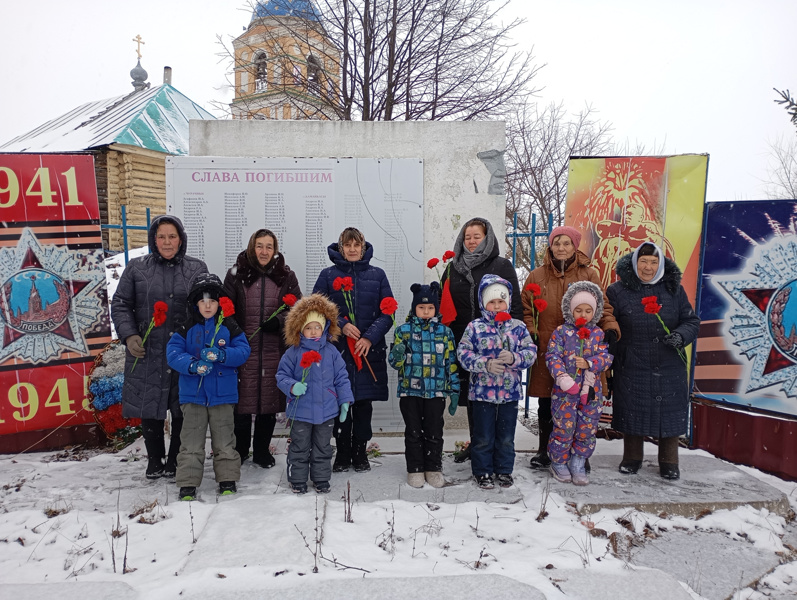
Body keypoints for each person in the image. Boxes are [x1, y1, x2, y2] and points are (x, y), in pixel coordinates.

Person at [112, 215, 208, 480]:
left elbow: (206, 304)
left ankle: (175, 459)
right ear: (154, 239)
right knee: (149, 405)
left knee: (181, 405)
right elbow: (120, 303)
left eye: (172, 236)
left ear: (181, 239)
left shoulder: (196, 268)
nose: (167, 242)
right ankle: (154, 459)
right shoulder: (137, 268)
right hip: (148, 348)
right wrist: (130, 335)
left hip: (183, 350)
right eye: (162, 236)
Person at [522, 225, 620, 470]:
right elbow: (526, 309)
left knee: (583, 406)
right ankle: (545, 450)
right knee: (547, 402)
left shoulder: (589, 274)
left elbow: (603, 306)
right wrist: (531, 333)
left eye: (566, 243)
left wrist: (610, 327)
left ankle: (578, 455)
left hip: (583, 349)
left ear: (575, 246)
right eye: (557, 243)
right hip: (549, 347)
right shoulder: (536, 276)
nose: (561, 248)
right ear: (550, 246)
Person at [606, 242, 699, 480]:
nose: (648, 267)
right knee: (633, 409)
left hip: (669, 362)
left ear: (661, 265)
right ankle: (632, 457)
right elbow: (610, 324)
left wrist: (680, 336)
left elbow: (691, 321)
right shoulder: (617, 291)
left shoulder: (674, 289)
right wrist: (609, 358)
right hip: (632, 360)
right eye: (643, 261)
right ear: (635, 263)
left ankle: (669, 461)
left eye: (653, 262)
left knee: (669, 411)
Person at [313, 227, 394, 473]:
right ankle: (342, 454)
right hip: (338, 353)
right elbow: (316, 310)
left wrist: (369, 338)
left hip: (367, 352)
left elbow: (387, 312)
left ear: (363, 247)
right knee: (341, 406)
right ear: (340, 248)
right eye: (347, 245)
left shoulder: (377, 275)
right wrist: (342, 325)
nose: (351, 249)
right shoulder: (328, 276)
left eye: (356, 245)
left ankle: (360, 453)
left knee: (362, 407)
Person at [442, 217, 523, 464]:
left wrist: (514, 342)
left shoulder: (501, 265)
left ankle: (500, 449)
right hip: (465, 340)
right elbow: (443, 302)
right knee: (473, 396)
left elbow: (515, 305)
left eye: (477, 236)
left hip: (498, 342)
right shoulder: (453, 267)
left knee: (499, 399)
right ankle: (478, 445)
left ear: (487, 238)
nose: (472, 241)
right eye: (468, 237)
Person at [166, 274, 251, 500]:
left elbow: (243, 351)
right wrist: (193, 366)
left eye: (212, 301)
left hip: (222, 396)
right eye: (203, 301)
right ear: (195, 303)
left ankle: (227, 478)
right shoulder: (186, 327)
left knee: (224, 440)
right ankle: (188, 483)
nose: (207, 305)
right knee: (191, 442)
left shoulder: (229, 326)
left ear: (219, 303)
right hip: (193, 396)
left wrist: (222, 355)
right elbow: (173, 354)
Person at [224, 229, 302, 468]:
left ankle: (261, 451)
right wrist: (237, 333)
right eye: (259, 246)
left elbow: (296, 310)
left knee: (268, 401)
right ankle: (240, 450)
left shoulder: (286, 276)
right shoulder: (236, 274)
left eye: (269, 246)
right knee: (243, 403)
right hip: (242, 348)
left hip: (272, 349)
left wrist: (278, 322)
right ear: (252, 247)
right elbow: (225, 308)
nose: (264, 251)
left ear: (275, 249)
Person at [456, 274, 537, 490]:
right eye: (492, 301)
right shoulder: (475, 327)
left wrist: (514, 359)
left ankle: (503, 470)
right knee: (483, 436)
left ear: (508, 302)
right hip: (482, 394)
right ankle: (482, 471)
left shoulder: (517, 327)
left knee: (506, 437)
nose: (496, 306)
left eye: (501, 301)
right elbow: (463, 353)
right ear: (483, 303)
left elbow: (530, 352)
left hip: (509, 394)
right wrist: (485, 363)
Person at [276, 294, 354, 494]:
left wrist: (344, 400)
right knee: (299, 447)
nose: (313, 332)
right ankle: (298, 479)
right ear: (300, 329)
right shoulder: (293, 352)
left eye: (317, 327)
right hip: (300, 411)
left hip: (326, 411)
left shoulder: (332, 352)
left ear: (325, 328)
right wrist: (293, 386)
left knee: (323, 447)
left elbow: (341, 378)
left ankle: (321, 478)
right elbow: (281, 375)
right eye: (308, 327)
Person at [388, 282, 460, 488]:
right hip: (410, 392)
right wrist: (398, 353)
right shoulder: (403, 331)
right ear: (414, 308)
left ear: (436, 309)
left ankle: (434, 467)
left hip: (436, 392)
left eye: (430, 308)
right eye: (421, 308)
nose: (426, 312)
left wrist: (454, 390)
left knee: (434, 431)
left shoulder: (445, 333)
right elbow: (395, 364)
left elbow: (451, 363)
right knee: (413, 431)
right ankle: (415, 468)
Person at [546, 281, 613, 485]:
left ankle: (578, 461)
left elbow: (606, 357)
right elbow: (553, 357)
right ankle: (558, 461)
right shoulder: (561, 332)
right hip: (565, 393)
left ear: (595, 312)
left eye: (588, 310)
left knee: (586, 428)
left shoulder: (598, 334)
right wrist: (563, 378)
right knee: (564, 428)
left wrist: (590, 363)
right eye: (578, 310)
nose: (583, 314)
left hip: (590, 393)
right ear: (570, 310)